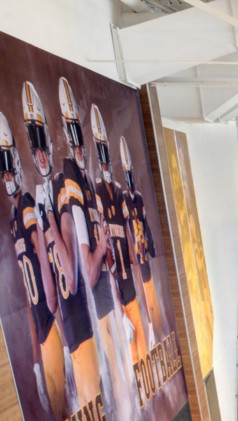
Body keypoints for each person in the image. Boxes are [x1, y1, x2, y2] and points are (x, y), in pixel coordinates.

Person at [24, 80, 98, 412]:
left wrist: (50, 220)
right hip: (73, 338)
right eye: (34, 147)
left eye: (43, 146)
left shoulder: (62, 188)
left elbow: (71, 277)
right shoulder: (46, 196)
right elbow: (52, 298)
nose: (41, 154)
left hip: (82, 331)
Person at [0, 110, 66, 421]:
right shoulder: (13, 221)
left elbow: (45, 264)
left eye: (11, 171)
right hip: (42, 330)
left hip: (53, 325)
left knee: (68, 415)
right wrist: (35, 361)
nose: (9, 178)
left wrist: (64, 336)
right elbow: (27, 296)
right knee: (60, 418)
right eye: (4, 172)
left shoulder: (25, 208)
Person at [89, 105, 146, 366]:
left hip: (129, 284)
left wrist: (137, 272)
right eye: (99, 156)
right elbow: (107, 252)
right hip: (117, 292)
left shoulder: (120, 194)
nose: (104, 162)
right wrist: (117, 303)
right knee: (127, 359)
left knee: (142, 349)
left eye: (105, 155)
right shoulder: (98, 193)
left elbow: (130, 246)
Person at [120, 136, 161, 343]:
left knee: (155, 309)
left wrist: (152, 248)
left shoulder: (138, 197)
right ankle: (151, 330)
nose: (129, 178)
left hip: (144, 259)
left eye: (130, 173)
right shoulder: (125, 200)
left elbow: (145, 225)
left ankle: (156, 329)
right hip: (136, 262)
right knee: (145, 307)